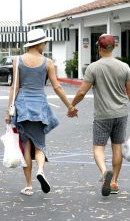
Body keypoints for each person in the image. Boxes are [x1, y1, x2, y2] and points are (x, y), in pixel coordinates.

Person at [68, 34, 130, 196]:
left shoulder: (93, 68)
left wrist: (71, 106)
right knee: (117, 147)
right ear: (113, 47)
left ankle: (104, 173)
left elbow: (81, 92)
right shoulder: (124, 67)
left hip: (102, 115)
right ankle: (114, 181)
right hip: (121, 114)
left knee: (98, 148)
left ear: (99, 48)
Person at [5, 28, 77, 196]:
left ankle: (29, 186)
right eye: (45, 43)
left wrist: (9, 111)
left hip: (22, 106)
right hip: (40, 106)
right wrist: (70, 106)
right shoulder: (48, 62)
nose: (46, 45)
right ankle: (41, 171)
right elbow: (57, 87)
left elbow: (14, 87)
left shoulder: (18, 60)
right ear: (39, 43)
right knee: (39, 144)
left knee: (25, 145)